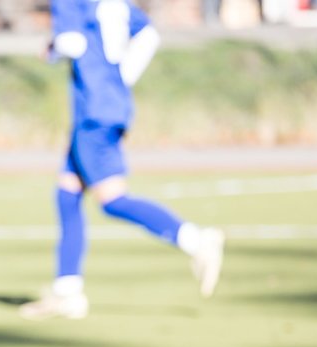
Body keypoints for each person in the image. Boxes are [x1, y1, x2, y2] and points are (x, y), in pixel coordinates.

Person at [20, 0, 225, 321]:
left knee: (112, 200)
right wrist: (119, 79)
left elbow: (73, 42)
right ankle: (67, 293)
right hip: (108, 106)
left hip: (93, 113)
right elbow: (147, 35)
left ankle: (196, 239)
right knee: (67, 194)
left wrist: (53, 49)